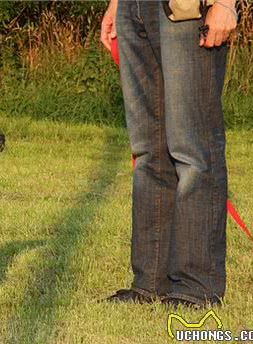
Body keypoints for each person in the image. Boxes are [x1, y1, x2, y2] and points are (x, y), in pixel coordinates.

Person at [100, 0, 237, 307]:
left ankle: (195, 286)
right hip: (134, 8)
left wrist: (227, 3)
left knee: (193, 152)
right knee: (149, 151)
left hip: (186, 7)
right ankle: (150, 283)